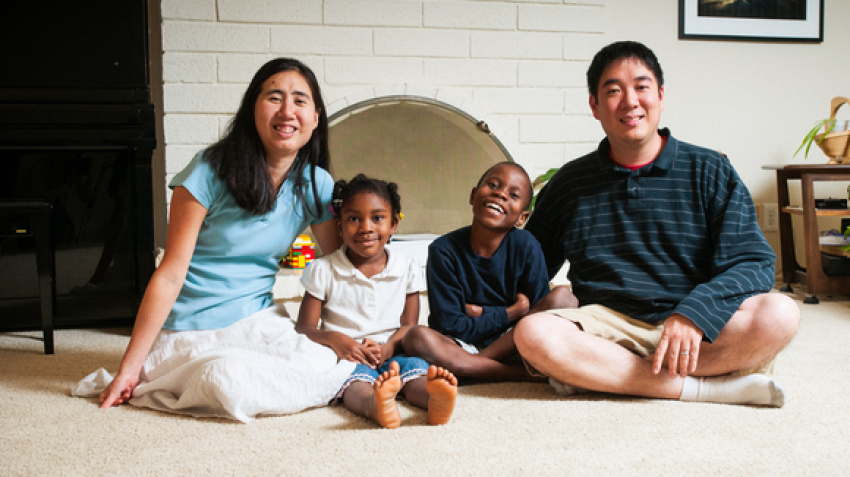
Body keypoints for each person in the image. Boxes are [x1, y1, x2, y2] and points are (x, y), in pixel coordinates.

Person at [514, 41, 800, 407]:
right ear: (594, 106)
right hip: (608, 326)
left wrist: (693, 314)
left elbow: (753, 264)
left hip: (698, 328)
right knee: (534, 334)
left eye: (642, 87)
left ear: (661, 96)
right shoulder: (571, 182)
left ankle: (606, 375)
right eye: (613, 90)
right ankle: (708, 389)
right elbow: (528, 266)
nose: (630, 101)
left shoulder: (711, 170)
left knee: (781, 314)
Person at [90, 58, 357, 421]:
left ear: (315, 116)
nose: (287, 111)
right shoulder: (208, 171)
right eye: (274, 97)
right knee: (226, 380)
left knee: (324, 359)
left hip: (258, 320)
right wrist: (129, 368)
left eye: (299, 100)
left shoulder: (315, 183)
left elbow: (339, 266)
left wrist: (354, 336)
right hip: (189, 329)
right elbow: (169, 274)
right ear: (253, 109)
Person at [295, 175, 458, 429]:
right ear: (339, 227)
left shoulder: (407, 268)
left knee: (415, 372)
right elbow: (304, 328)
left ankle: (433, 399)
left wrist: (389, 347)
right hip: (349, 356)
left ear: (393, 223)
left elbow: (409, 326)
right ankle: (375, 405)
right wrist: (336, 339)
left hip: (394, 350)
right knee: (354, 386)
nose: (366, 227)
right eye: (353, 219)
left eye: (377, 218)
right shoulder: (323, 269)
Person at [402, 162, 577, 382]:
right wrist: (511, 312)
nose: (500, 194)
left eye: (513, 195)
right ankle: (512, 374)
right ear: (473, 195)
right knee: (415, 337)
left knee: (564, 298)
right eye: (493, 185)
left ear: (522, 217)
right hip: (459, 345)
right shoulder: (443, 251)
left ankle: (475, 367)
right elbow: (452, 326)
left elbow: (537, 316)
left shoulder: (526, 245)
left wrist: (479, 312)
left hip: (512, 342)